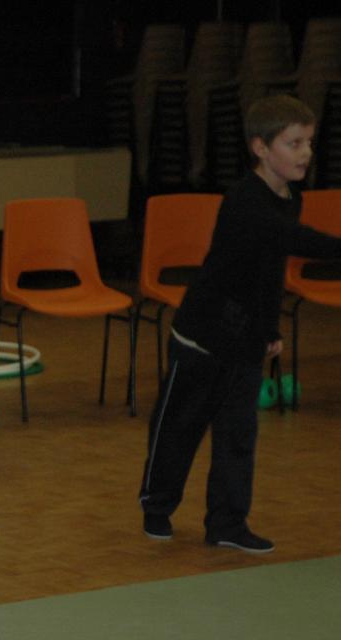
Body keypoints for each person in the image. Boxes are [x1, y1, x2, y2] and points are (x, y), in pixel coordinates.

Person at [139, 94, 341, 553]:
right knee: (179, 428)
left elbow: (269, 271)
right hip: (202, 336)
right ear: (261, 148)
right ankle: (157, 504)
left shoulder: (291, 196)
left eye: (309, 142)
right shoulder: (245, 200)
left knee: (238, 435)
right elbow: (290, 240)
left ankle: (227, 523)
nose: (306, 153)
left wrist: (269, 330)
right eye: (293, 143)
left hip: (244, 338)